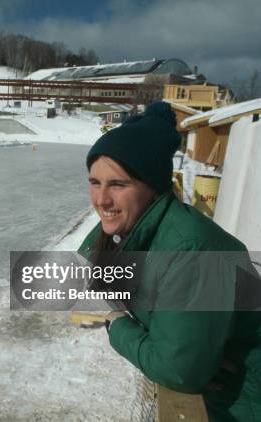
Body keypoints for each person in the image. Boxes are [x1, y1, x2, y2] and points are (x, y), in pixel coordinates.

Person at [78, 101, 261, 421]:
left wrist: (117, 325)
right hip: (219, 386)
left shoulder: (193, 250)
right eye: (95, 182)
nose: (102, 199)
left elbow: (179, 370)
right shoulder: (137, 228)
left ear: (152, 187)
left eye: (118, 184)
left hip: (242, 398)